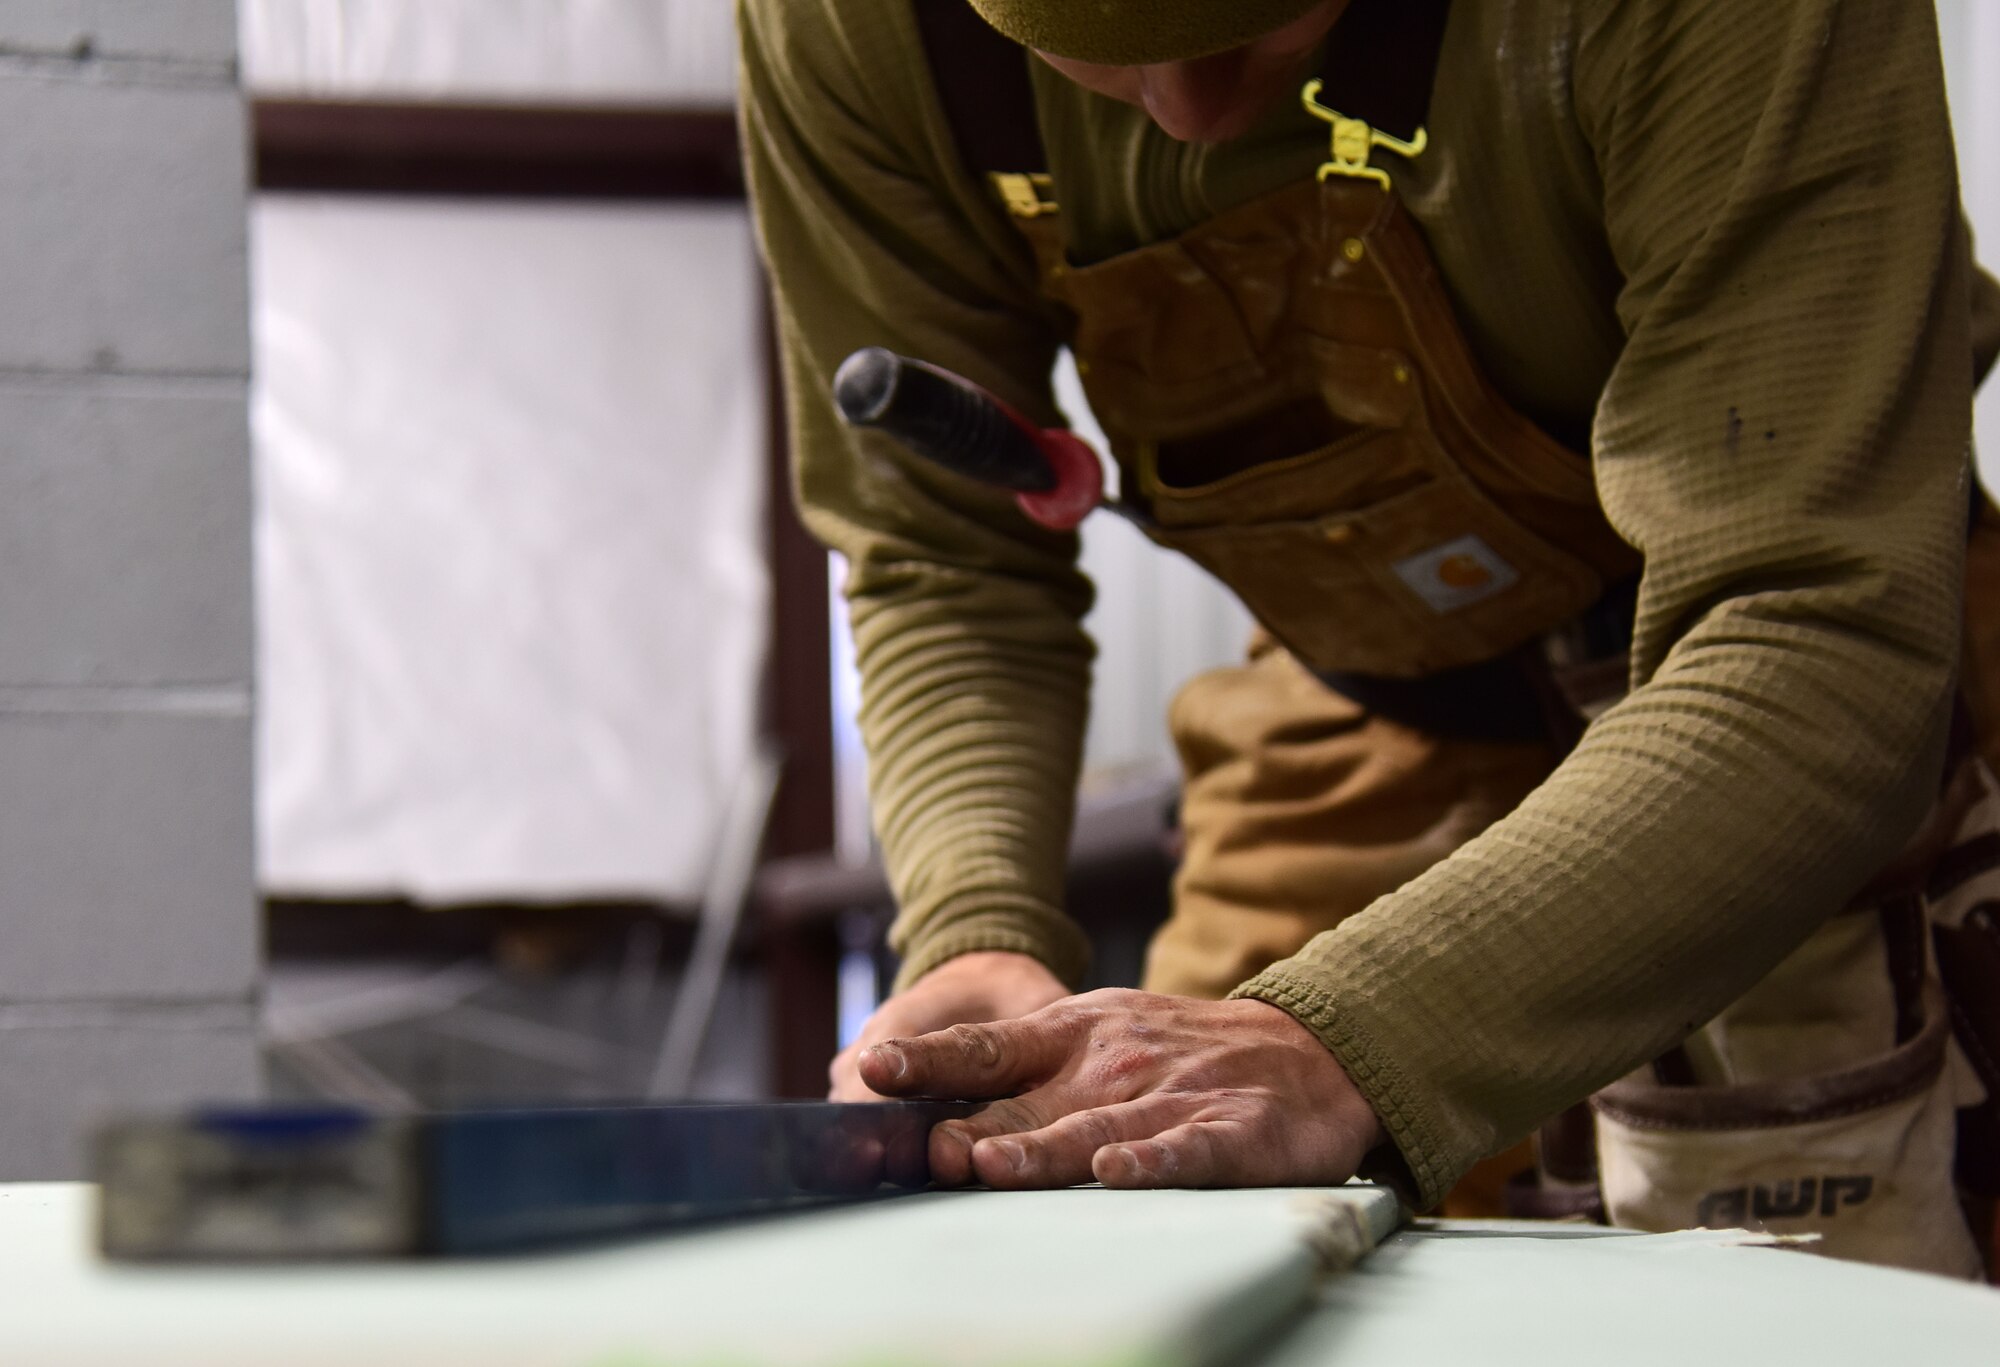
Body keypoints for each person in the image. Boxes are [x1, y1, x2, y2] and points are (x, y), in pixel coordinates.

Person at [738, 0, 2000, 1276]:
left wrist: (1342, 1037)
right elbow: (946, 553)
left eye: (1258, 22)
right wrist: (977, 927)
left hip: (1785, 683)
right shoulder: (846, 24)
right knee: (1149, 1258)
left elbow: (1815, 616)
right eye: (1093, 53)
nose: (1185, 116)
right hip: (1365, 697)